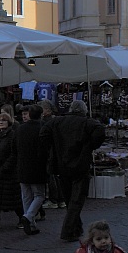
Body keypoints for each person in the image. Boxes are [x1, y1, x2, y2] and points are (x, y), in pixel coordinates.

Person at [44, 100, 106, 242]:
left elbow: (44, 133)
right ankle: (68, 230)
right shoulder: (87, 122)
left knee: (69, 199)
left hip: (62, 165)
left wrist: (53, 147)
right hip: (80, 165)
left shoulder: (57, 121)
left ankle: (76, 228)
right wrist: (90, 145)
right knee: (76, 200)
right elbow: (100, 131)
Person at [13, 103, 47, 235]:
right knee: (39, 195)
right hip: (38, 166)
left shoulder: (19, 129)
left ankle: (31, 223)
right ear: (41, 114)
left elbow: (13, 148)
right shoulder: (43, 127)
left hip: (22, 166)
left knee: (26, 196)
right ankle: (28, 217)